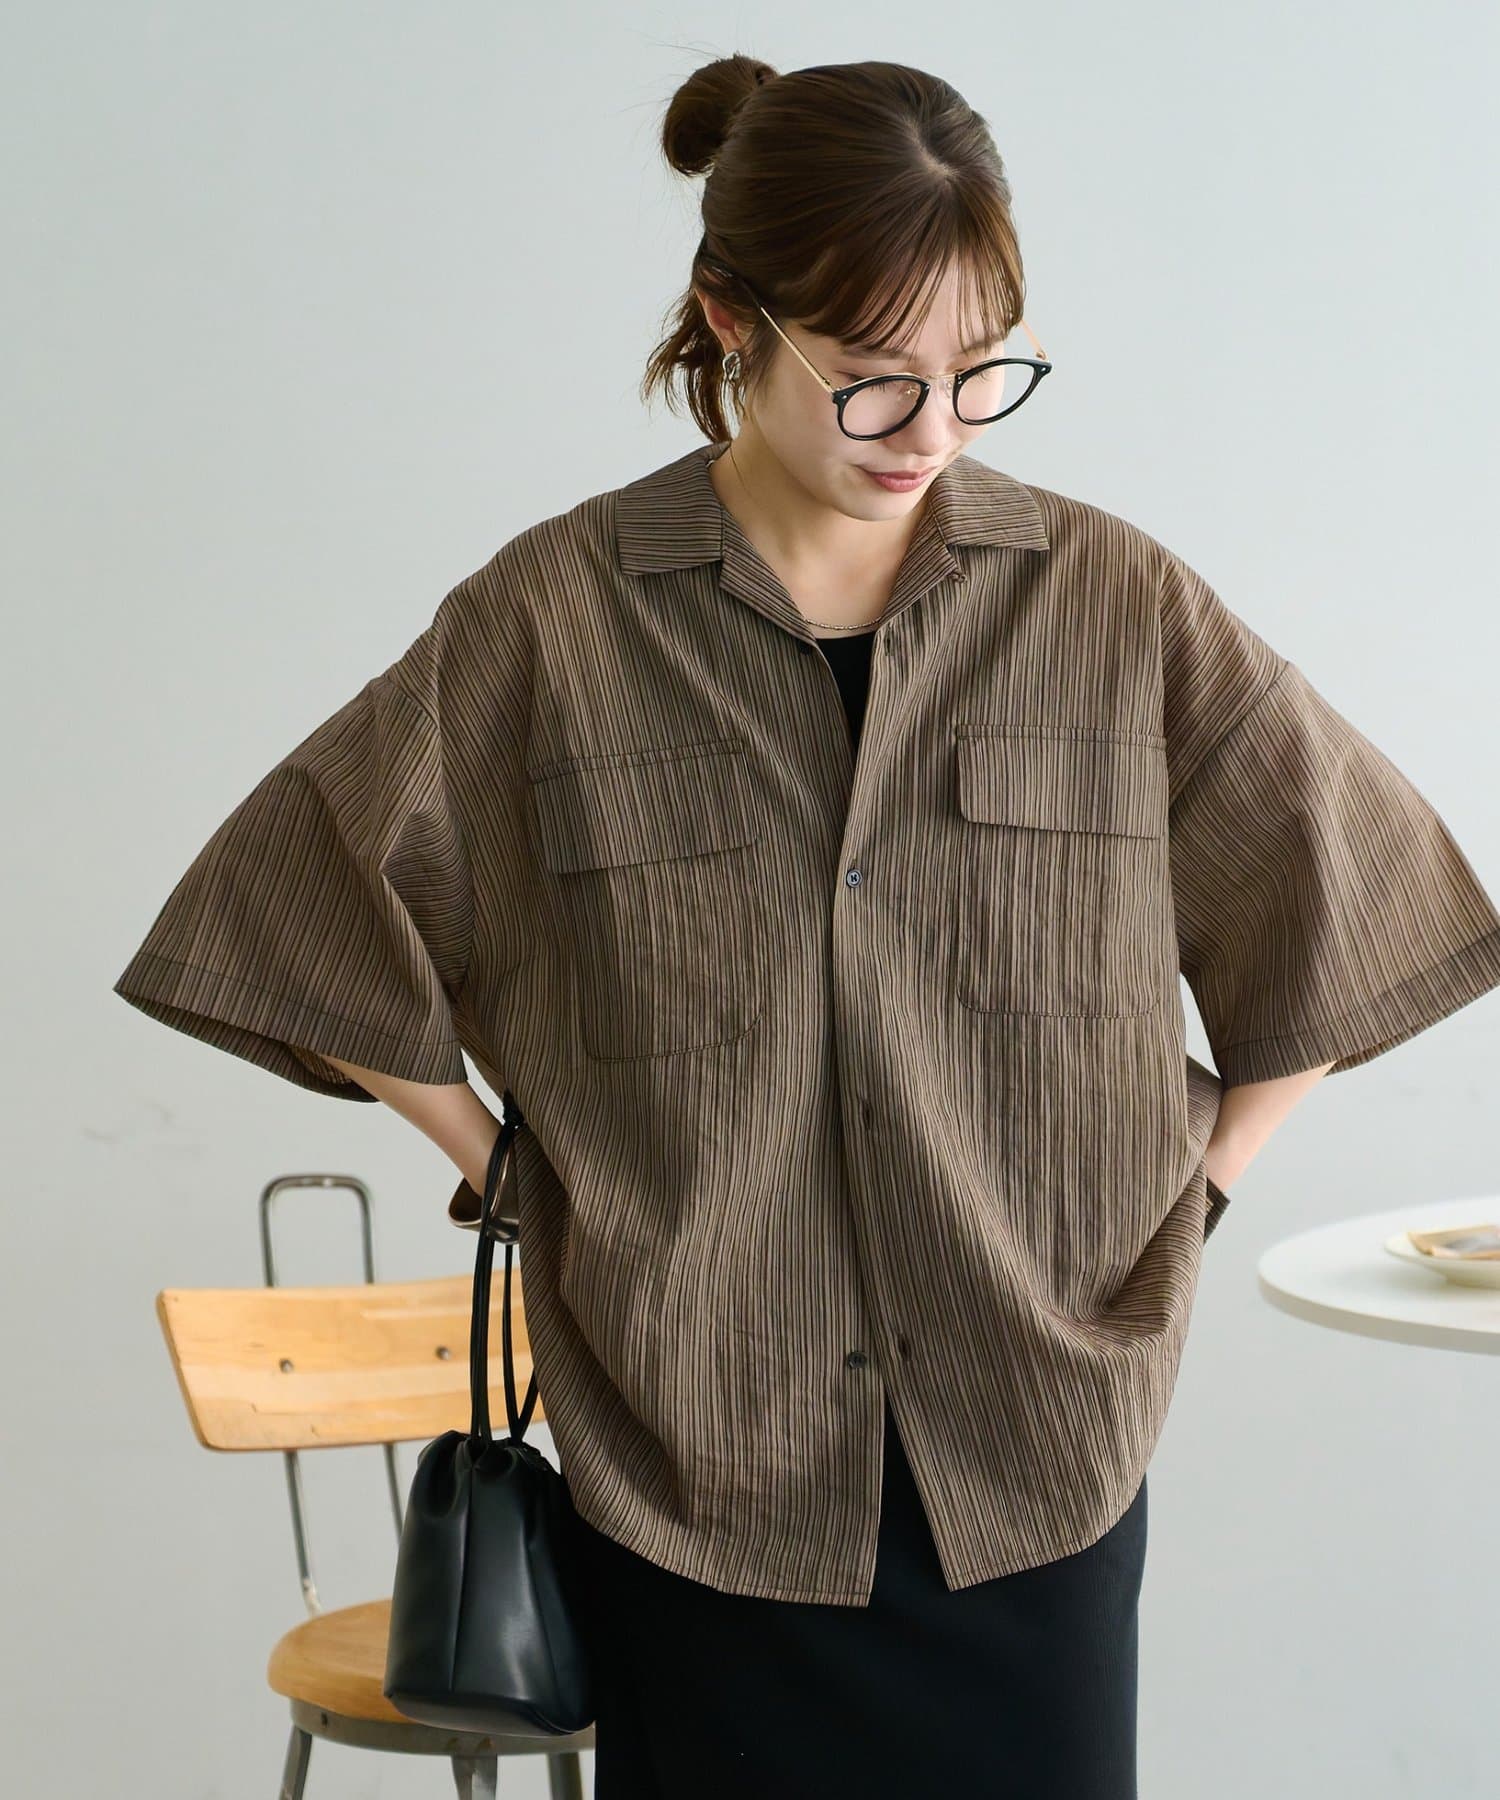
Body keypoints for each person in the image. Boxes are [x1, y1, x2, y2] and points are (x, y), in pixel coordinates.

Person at [112, 54, 1500, 1800]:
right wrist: (511, 1169)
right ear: (731, 322)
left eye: (980, 372)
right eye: (873, 380)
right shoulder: (553, 622)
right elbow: (288, 910)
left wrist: (1197, 1186)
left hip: (1031, 1445)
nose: (933, 430)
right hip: (704, 1456)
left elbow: (1357, 896)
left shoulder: (1109, 603)